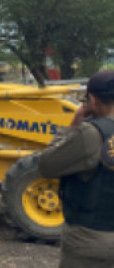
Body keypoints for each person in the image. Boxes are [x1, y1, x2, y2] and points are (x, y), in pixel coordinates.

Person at [38, 69, 114, 267]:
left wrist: (73, 125)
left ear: (93, 100)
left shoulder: (90, 133)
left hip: (93, 238)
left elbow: (46, 165)